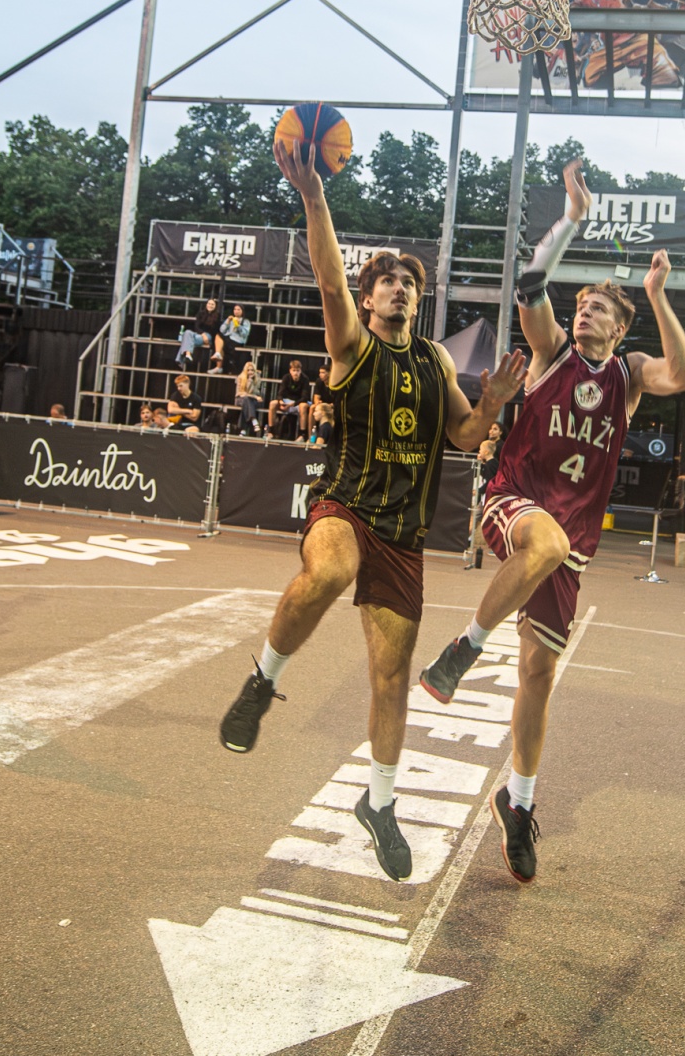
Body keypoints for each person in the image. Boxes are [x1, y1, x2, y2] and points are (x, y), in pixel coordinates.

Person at [217, 135, 523, 884]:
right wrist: (314, 195)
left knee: (391, 678)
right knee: (327, 573)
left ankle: (379, 803)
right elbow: (328, 281)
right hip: (345, 506)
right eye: (387, 282)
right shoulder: (352, 345)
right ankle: (262, 681)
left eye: (409, 284)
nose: (400, 290)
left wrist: (491, 404)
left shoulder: (437, 360)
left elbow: (464, 437)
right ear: (368, 298)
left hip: (404, 534)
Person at [418, 159, 685, 883]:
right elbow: (530, 285)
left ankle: (518, 803)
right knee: (542, 539)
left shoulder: (628, 377)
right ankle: (464, 648)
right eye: (583, 306)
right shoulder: (550, 353)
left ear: (621, 326)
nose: (585, 313)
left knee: (539, 672)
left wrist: (658, 295)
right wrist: (570, 219)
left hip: (570, 543)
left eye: (599, 309)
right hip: (513, 501)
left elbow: (684, 375)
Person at [269, 358, 313, 440]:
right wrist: (281, 402)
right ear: (290, 371)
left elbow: (305, 397)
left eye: (298, 370)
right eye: (294, 370)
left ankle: (302, 434)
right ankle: (271, 431)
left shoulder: (305, 379)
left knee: (303, 406)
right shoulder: (286, 378)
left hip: (298, 402)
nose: (296, 373)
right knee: (273, 403)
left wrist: (292, 404)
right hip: (287, 402)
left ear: (300, 371)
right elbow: (280, 393)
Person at [195, 296, 226, 369]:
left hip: (210, 337)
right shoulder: (201, 313)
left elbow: (215, 330)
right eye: (209, 304)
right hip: (200, 335)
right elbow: (196, 326)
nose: (210, 305)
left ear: (215, 306)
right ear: (206, 304)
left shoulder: (217, 316)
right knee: (187, 333)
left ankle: (218, 366)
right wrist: (203, 334)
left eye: (212, 304)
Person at [221, 304, 254, 370]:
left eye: (238, 309)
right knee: (218, 337)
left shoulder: (246, 321)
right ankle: (220, 363)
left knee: (225, 345)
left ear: (242, 311)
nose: (236, 311)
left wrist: (238, 326)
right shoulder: (230, 319)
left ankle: (228, 364)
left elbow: (244, 334)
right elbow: (222, 330)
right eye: (235, 309)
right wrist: (227, 322)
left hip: (238, 341)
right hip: (229, 339)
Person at [234, 361, 263, 436]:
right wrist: (254, 396)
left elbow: (255, 392)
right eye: (248, 370)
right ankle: (253, 420)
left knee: (246, 406)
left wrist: (251, 381)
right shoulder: (240, 377)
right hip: (240, 399)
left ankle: (243, 430)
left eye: (252, 370)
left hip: (251, 401)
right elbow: (240, 393)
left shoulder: (257, 379)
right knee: (246, 400)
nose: (250, 372)